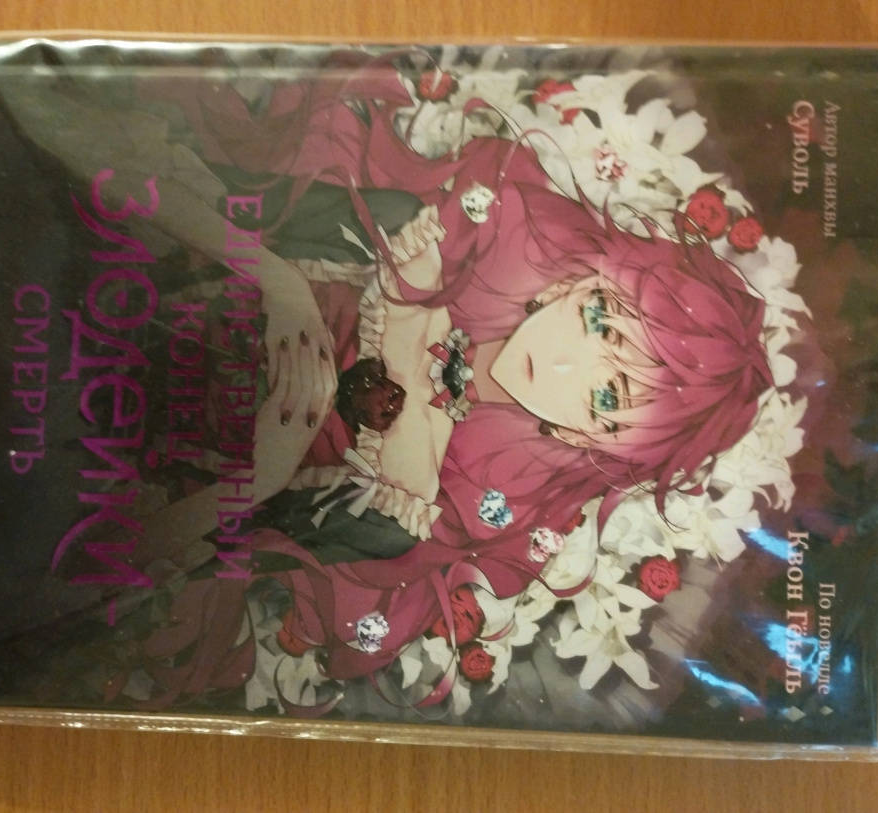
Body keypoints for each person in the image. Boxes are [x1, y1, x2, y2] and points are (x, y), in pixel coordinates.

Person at [133, 54, 774, 709]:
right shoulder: (436, 235)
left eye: (605, 396)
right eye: (597, 320)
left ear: (594, 441)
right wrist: (285, 284)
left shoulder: (465, 505)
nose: (562, 364)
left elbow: (202, 544)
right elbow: (188, 197)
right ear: (577, 284)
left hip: (161, 467)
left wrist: (271, 471)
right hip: (165, 283)